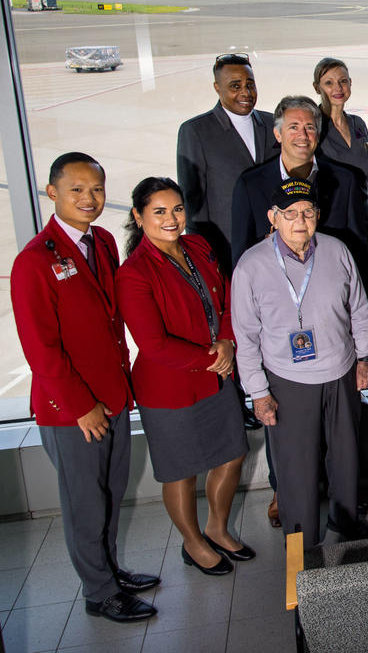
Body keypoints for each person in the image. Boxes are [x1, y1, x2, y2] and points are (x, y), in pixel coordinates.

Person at [10, 153, 158, 622]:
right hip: (73, 410)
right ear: (52, 192)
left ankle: (109, 569)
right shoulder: (34, 261)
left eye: (97, 188)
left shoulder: (104, 242)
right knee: (85, 504)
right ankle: (99, 593)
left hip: (111, 397)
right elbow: (41, 349)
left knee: (110, 494)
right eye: (76, 189)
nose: (89, 198)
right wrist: (80, 406)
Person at [116, 178, 252, 576]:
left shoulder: (197, 246)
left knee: (232, 453)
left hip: (217, 374)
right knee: (181, 471)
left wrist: (227, 340)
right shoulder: (134, 273)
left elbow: (226, 297)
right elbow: (154, 344)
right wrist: (213, 358)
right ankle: (193, 544)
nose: (172, 219)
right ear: (139, 217)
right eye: (159, 211)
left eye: (176, 209)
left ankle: (217, 528)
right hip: (170, 387)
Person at [232, 179, 368, 548]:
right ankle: (302, 544)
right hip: (287, 381)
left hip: (340, 371)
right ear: (273, 218)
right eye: (290, 213)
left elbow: (359, 309)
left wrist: (363, 357)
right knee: (297, 469)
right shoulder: (251, 265)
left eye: (308, 212)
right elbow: (245, 337)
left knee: (345, 458)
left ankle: (346, 527)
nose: (300, 220)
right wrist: (258, 393)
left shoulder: (337, 250)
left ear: (318, 215)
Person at [231, 95, 368, 293]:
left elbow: (362, 251)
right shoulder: (250, 185)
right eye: (293, 127)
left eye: (309, 127)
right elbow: (242, 256)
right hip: (275, 300)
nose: (303, 135)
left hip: (331, 300)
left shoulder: (347, 181)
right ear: (278, 134)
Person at [177, 53, 278, 275]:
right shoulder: (196, 131)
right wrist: (203, 256)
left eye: (250, 84)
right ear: (217, 87)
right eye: (235, 86)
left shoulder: (273, 124)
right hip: (227, 251)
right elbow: (193, 202)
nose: (245, 93)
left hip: (275, 246)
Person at [313, 57, 368, 252]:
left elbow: (366, 181)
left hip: (364, 219)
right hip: (333, 223)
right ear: (317, 87)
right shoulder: (313, 128)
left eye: (343, 81)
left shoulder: (358, 125)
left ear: (350, 84)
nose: (337, 88)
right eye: (329, 83)